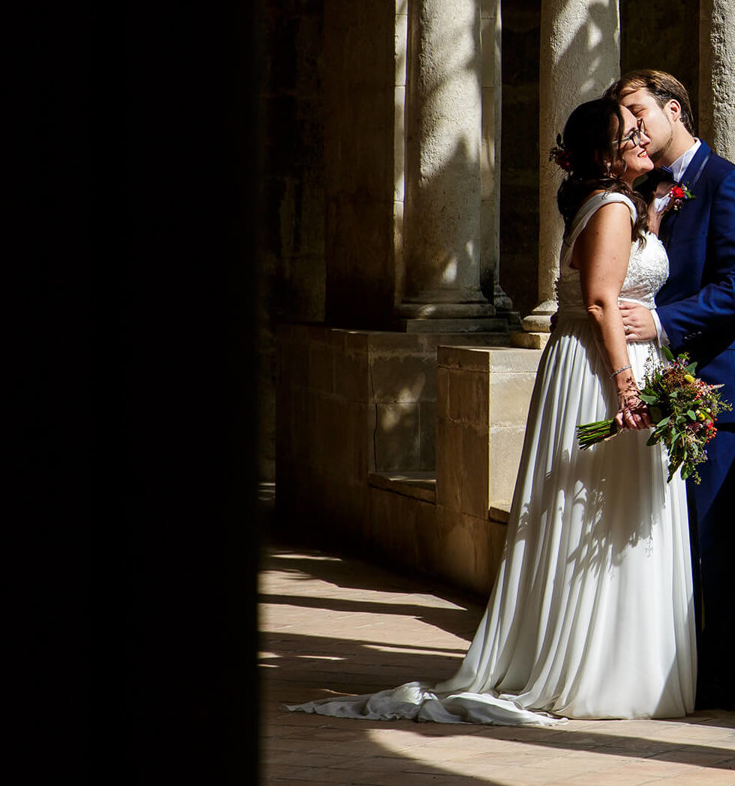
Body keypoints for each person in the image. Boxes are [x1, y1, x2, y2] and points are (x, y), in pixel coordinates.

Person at [288, 97, 695, 724]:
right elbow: (600, 302)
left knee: (611, 511)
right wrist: (629, 391)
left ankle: (613, 661)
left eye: (640, 126)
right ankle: (599, 671)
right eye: (628, 131)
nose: (643, 134)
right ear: (601, 153)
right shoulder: (611, 207)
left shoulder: (620, 205)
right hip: (600, 371)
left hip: (600, 363)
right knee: (603, 510)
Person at [614, 68, 735, 710]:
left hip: (721, 388)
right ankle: (671, 667)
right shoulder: (650, 189)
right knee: (666, 540)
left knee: (713, 542)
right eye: (622, 119)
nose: (630, 128)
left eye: (638, 114)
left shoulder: (729, 184)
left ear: (673, 110)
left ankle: (719, 680)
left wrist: (659, 322)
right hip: (664, 388)